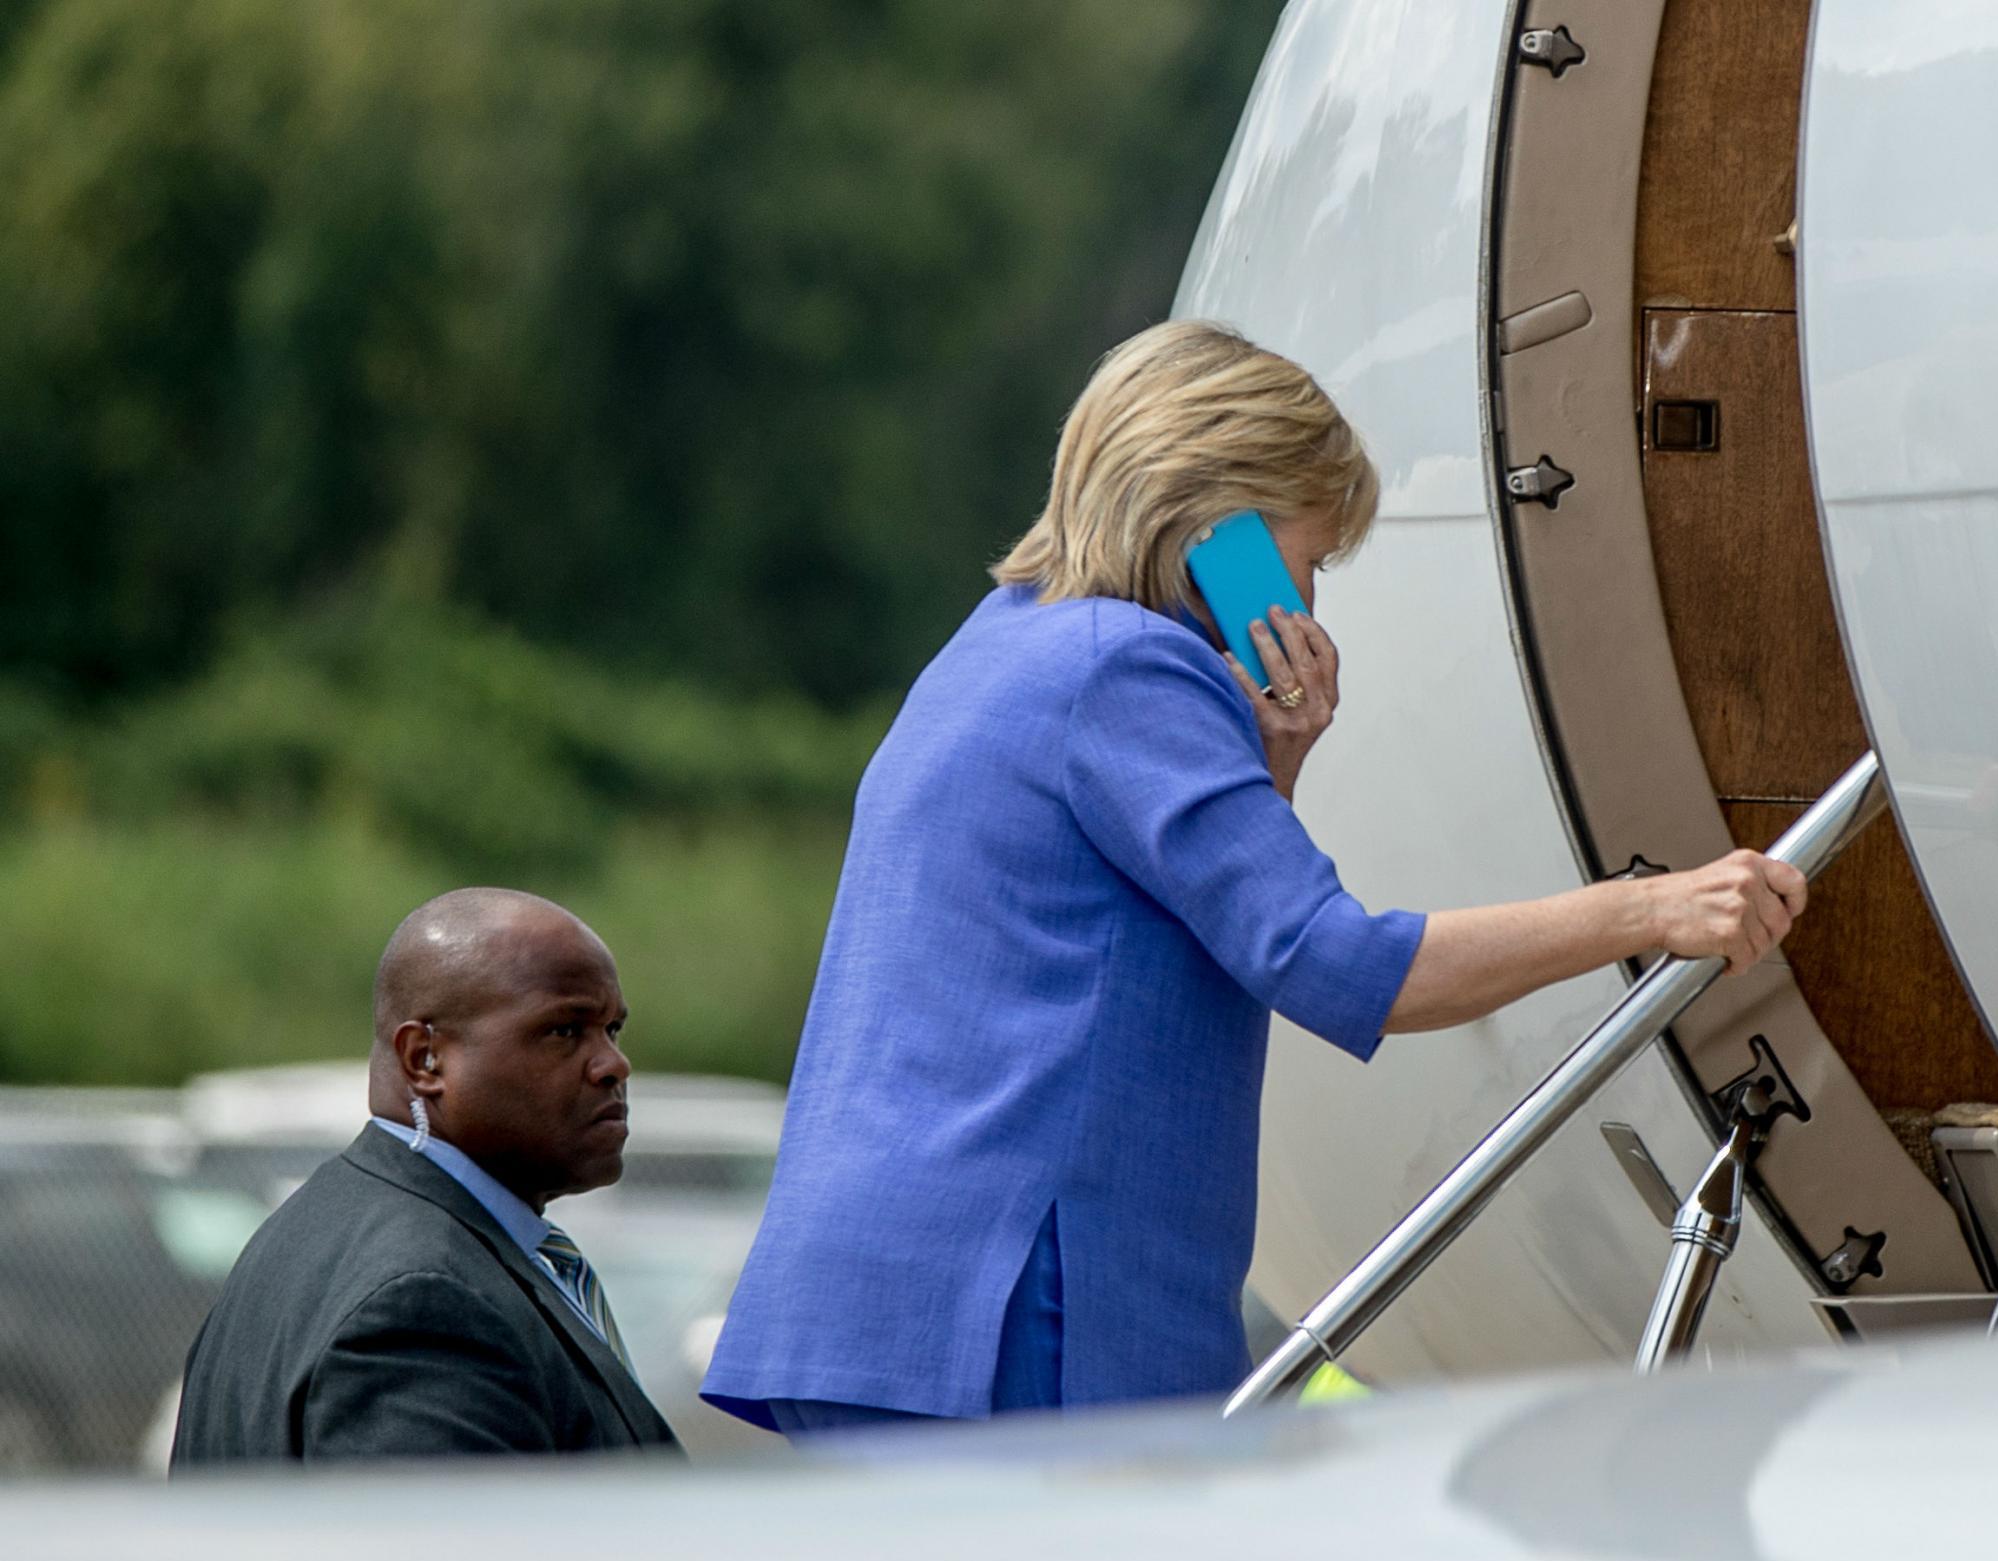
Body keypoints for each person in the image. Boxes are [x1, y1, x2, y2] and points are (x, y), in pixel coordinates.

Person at [700, 320, 1805, 1437]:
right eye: (1310, 558)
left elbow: (1144, 931)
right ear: (1217, 526)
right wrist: (1648, 905)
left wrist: (1269, 766)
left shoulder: (1000, 646)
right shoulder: (1132, 667)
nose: (1311, 606)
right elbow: (1345, 967)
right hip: (1013, 1300)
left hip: (892, 1302)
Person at [171, 888, 679, 1466]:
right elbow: (441, 1556)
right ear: (423, 1058)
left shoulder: (335, 1229)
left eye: (612, 1029)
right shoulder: (424, 1303)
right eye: (564, 1030)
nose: (614, 1064)